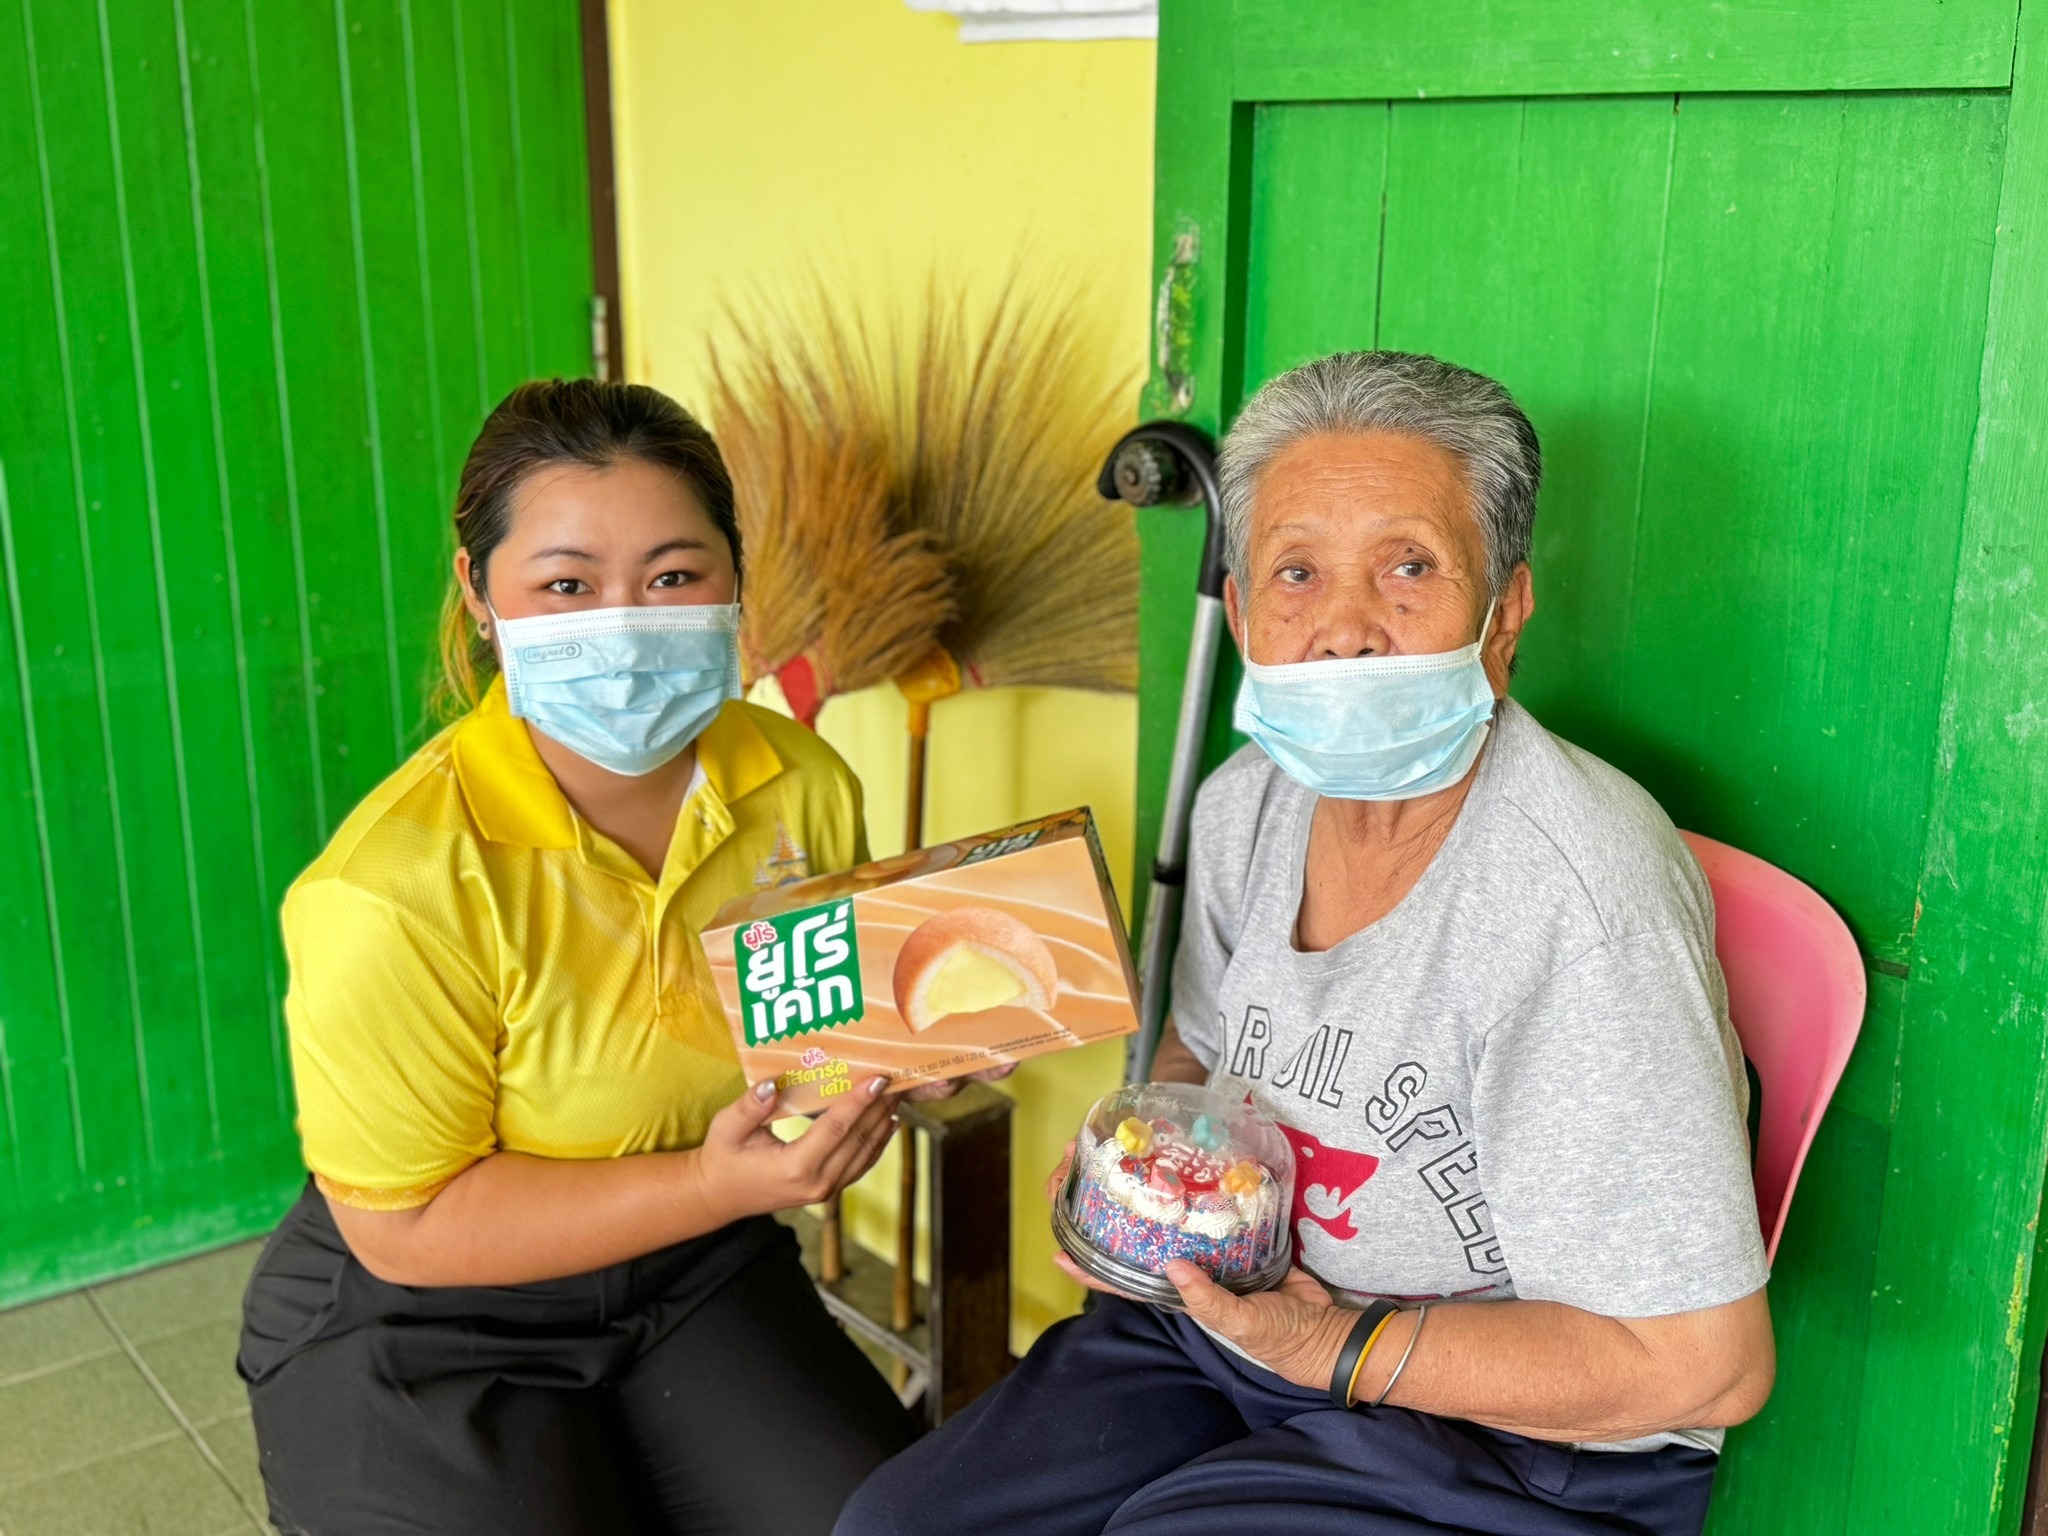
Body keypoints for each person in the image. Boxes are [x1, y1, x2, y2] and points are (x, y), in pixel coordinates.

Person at [838, 351, 1775, 1536]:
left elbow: (1700, 1365)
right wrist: (1139, 1169)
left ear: (1504, 615)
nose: (1342, 631)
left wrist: (1329, 1344)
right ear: (1240, 615)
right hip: (1241, 1321)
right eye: (1295, 572)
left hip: (1506, 1435)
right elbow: (1197, 1055)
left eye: (1408, 566)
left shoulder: (1579, 901)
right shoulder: (1247, 804)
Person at [239, 379, 995, 1536]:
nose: (626, 622)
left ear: (735, 581)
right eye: (566, 585)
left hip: (695, 1270)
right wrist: (715, 1184)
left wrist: (893, 1052)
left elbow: (803, 1035)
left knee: (884, 1523)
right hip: (426, 1310)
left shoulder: (799, 783)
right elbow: (405, 1226)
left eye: (674, 576)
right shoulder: (390, 889)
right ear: (478, 593)